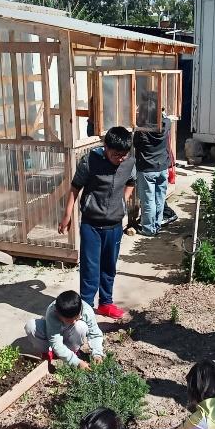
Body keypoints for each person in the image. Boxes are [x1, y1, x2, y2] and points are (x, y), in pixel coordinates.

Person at [58, 127, 136, 319]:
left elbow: (132, 182)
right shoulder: (90, 161)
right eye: (116, 154)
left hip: (114, 226)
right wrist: (67, 214)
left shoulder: (129, 163)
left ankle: (106, 304)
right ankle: (85, 307)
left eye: (123, 155)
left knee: (109, 266)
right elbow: (75, 188)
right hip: (91, 224)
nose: (120, 159)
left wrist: (122, 202)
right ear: (105, 147)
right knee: (90, 268)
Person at [24, 290, 104, 370]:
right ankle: (49, 353)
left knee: (80, 326)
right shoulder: (52, 312)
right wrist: (76, 362)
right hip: (53, 332)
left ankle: (72, 351)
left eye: (76, 318)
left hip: (71, 334)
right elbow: (55, 341)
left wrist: (97, 354)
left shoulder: (86, 310)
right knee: (31, 326)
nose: (74, 322)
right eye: (69, 320)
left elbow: (95, 334)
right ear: (57, 313)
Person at [133, 116, 172, 236]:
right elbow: (168, 120)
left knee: (148, 200)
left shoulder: (141, 131)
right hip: (163, 167)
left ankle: (148, 229)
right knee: (160, 198)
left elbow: (136, 144)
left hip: (147, 168)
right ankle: (157, 225)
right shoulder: (164, 125)